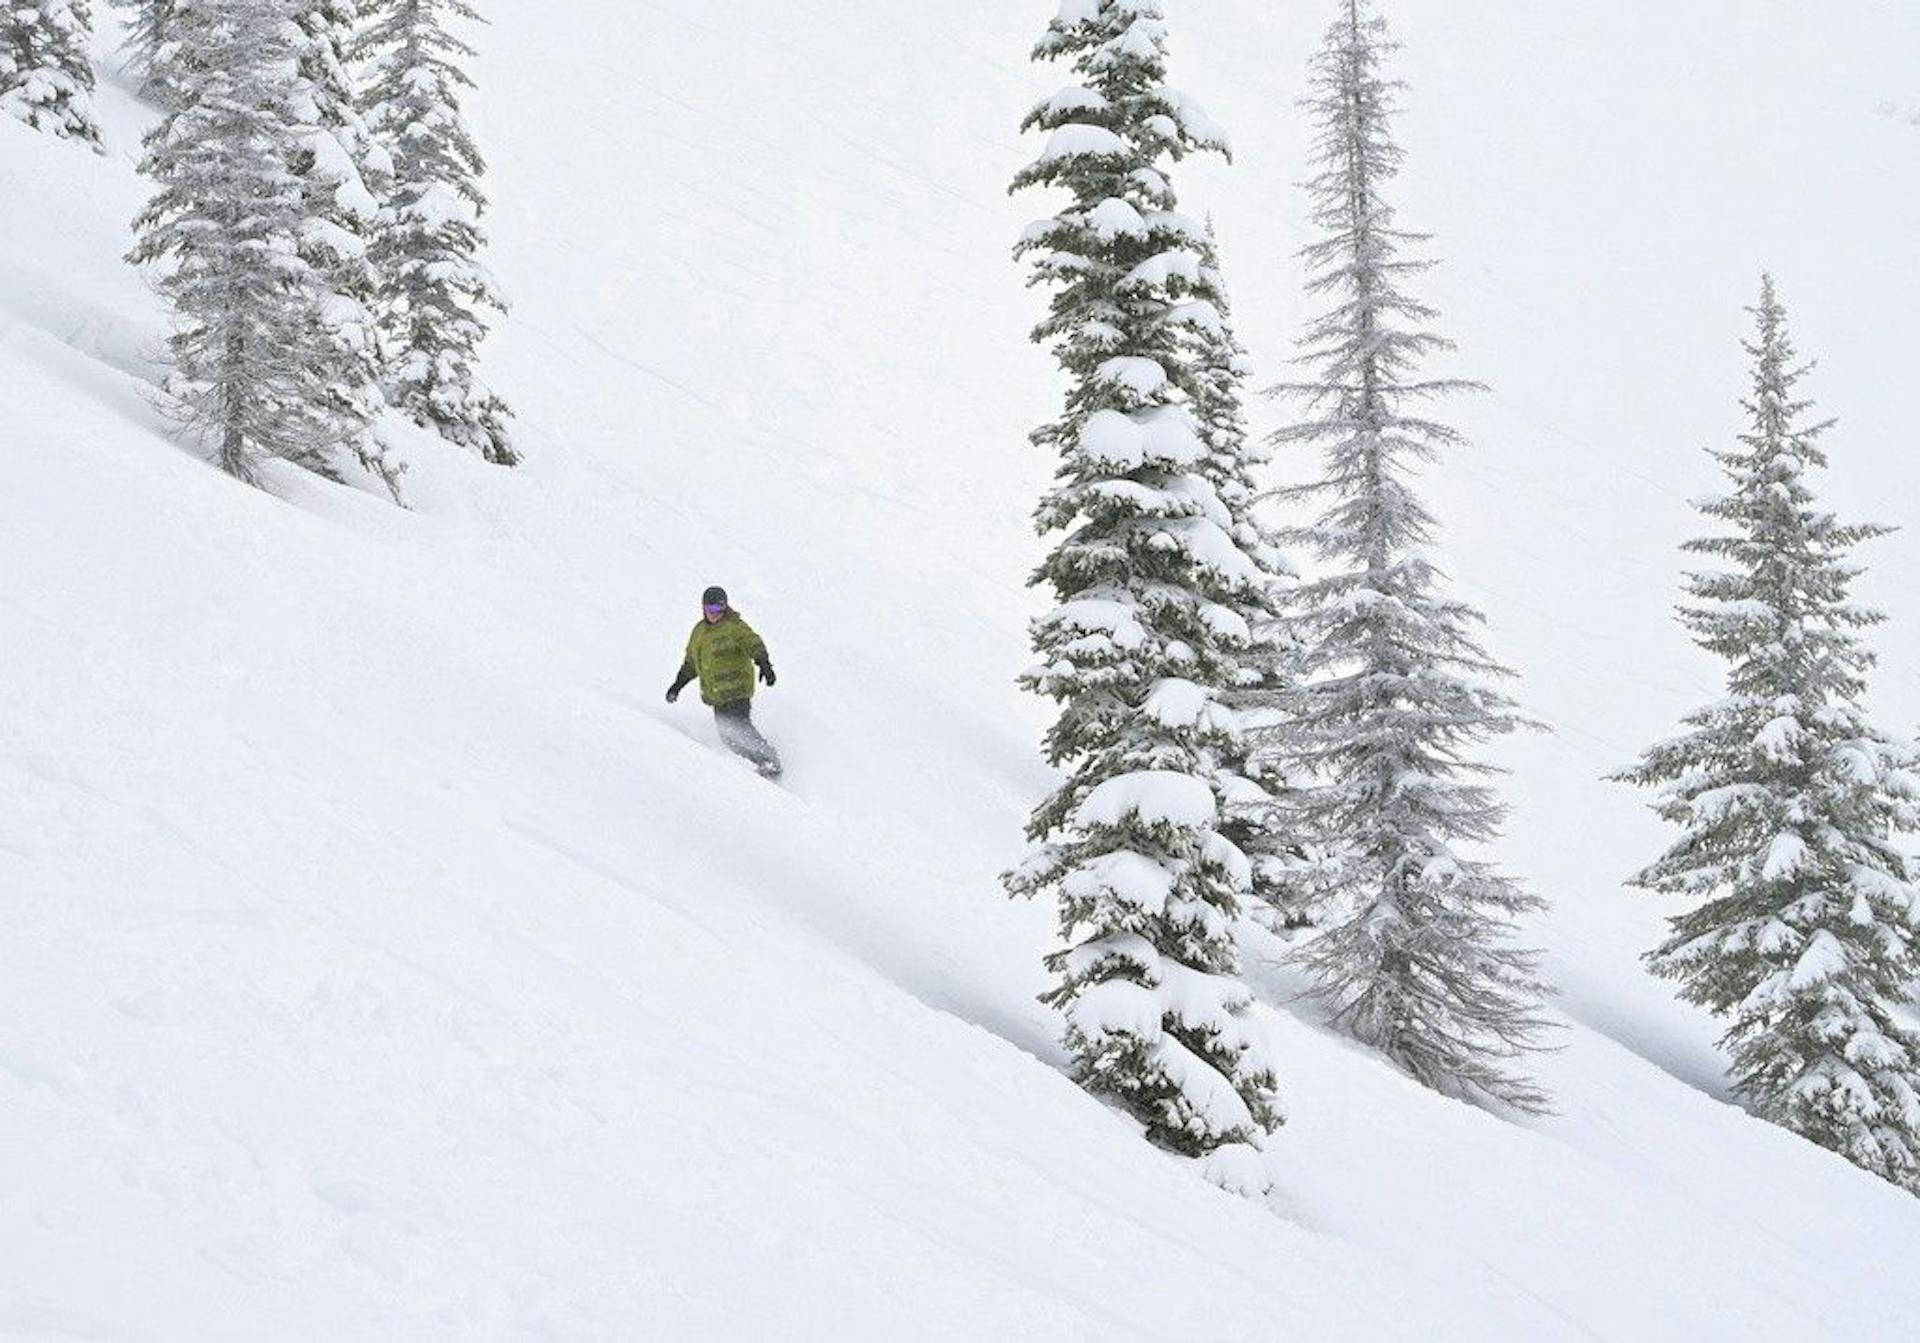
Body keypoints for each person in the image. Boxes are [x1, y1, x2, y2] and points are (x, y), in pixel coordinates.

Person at [666, 585, 782, 777]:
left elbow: (753, 642)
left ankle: (769, 760)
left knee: (740, 727)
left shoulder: (733, 626)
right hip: (717, 695)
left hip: (737, 691)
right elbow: (691, 663)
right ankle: (763, 761)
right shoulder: (699, 633)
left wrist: (764, 664)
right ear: (703, 608)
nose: (715, 614)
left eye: (719, 609)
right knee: (729, 739)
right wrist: (677, 686)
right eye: (711, 610)